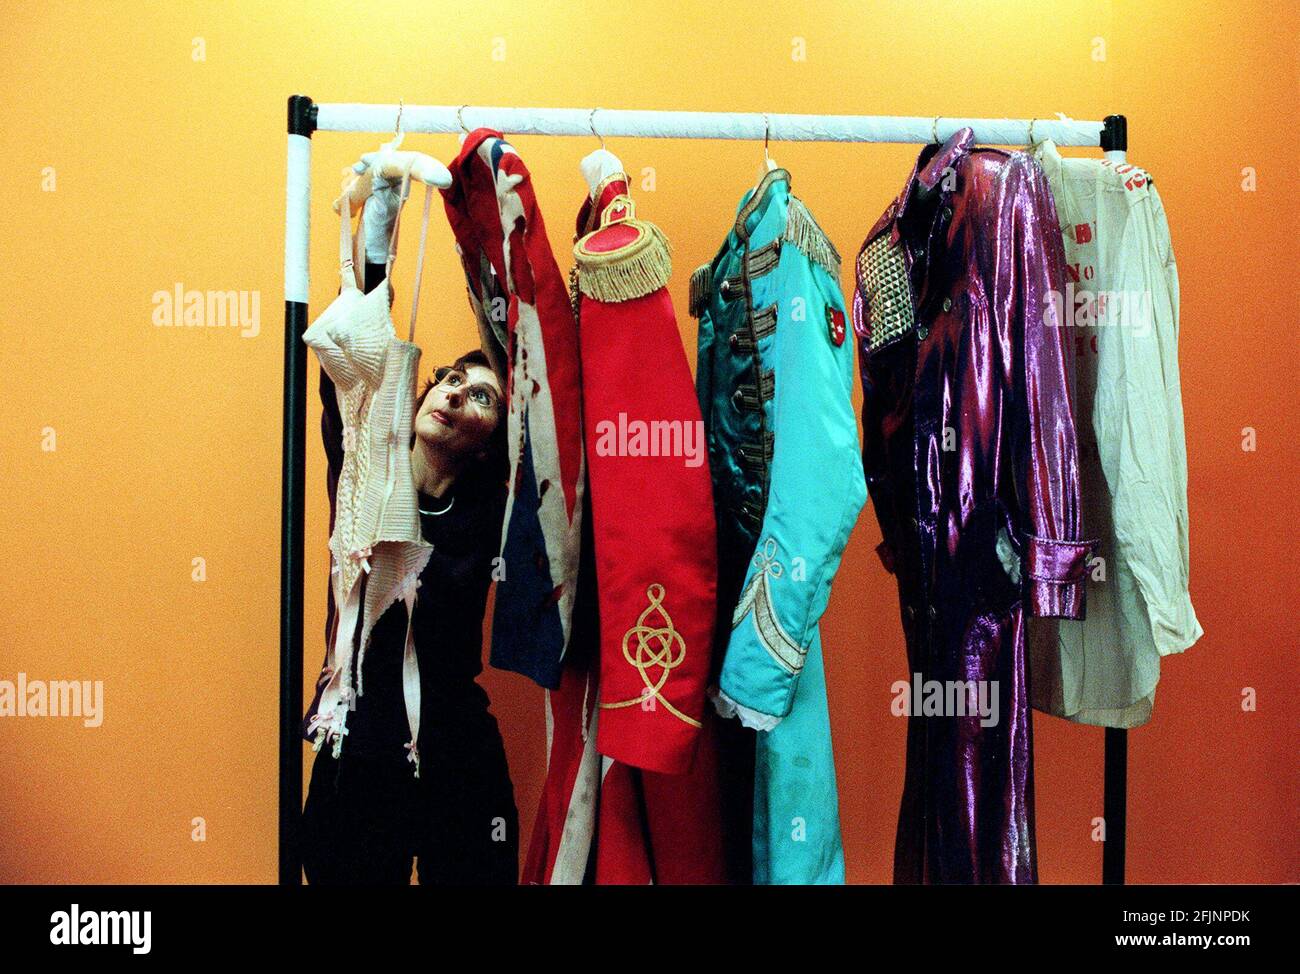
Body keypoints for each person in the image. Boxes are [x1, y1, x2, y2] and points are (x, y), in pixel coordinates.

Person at [301, 253, 518, 884]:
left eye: (480, 396)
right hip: (361, 741)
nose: (453, 389)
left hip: (454, 746)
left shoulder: (490, 513)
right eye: (450, 378)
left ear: (490, 445)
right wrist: (375, 250)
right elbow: (346, 373)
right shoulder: (362, 471)